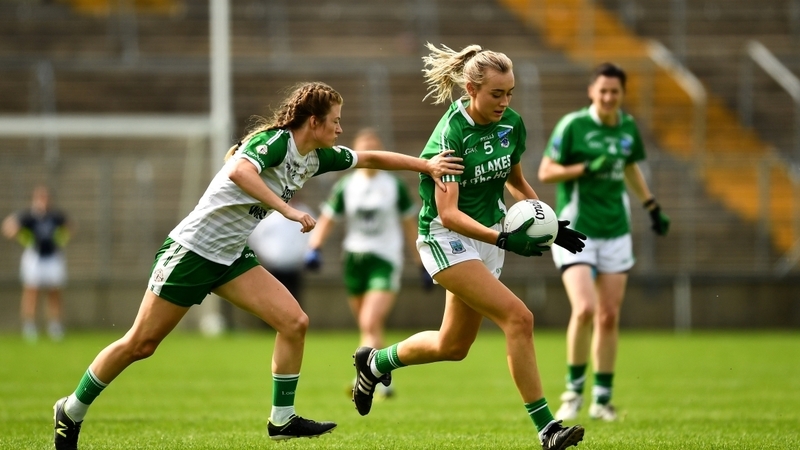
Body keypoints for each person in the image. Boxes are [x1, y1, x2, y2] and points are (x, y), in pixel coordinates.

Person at [51, 81, 463, 450]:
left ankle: (282, 420)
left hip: (230, 256)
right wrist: (286, 209)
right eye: (335, 121)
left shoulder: (317, 158)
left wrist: (425, 164)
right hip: (192, 252)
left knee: (294, 322)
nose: (340, 129)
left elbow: (371, 158)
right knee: (141, 344)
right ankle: (71, 410)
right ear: (314, 122)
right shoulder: (277, 142)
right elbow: (238, 171)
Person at [350, 43, 587, 450]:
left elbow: (514, 182)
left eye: (510, 92)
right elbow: (449, 214)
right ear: (471, 88)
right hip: (447, 239)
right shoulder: (451, 134)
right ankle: (548, 429)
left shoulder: (511, 123)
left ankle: (374, 363)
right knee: (519, 318)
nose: (505, 101)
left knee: (453, 345)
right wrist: (506, 239)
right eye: (497, 94)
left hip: (490, 235)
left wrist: (548, 223)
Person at [537, 62, 670, 422]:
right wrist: (584, 168)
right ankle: (572, 393)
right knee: (585, 309)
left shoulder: (627, 127)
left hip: (616, 230)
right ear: (591, 92)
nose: (609, 97)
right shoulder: (573, 125)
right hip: (575, 230)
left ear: (622, 94)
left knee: (609, 316)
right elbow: (545, 171)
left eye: (615, 92)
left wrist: (652, 206)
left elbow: (629, 167)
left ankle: (602, 399)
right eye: (603, 91)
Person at [305, 127, 432, 399]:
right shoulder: (347, 185)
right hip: (354, 259)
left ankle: (362, 378)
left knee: (370, 320)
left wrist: (421, 262)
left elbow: (410, 225)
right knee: (368, 326)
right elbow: (328, 218)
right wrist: (314, 247)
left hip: (384, 259)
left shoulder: (393, 186)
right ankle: (386, 381)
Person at [2, 185, 72, 343]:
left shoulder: (55, 216)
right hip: (34, 257)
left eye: (46, 198)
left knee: (54, 292)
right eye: (40, 198)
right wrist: (21, 237)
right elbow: (8, 227)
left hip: (53, 256)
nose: (44, 201)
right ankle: (30, 326)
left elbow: (69, 227)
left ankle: (55, 326)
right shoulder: (28, 217)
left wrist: (62, 238)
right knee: (31, 292)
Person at [247, 195, 314, 307]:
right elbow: (256, 237)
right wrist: (266, 256)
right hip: (272, 267)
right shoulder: (268, 214)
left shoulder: (304, 212)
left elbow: (311, 237)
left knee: (293, 299)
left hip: (294, 267)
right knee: (271, 299)